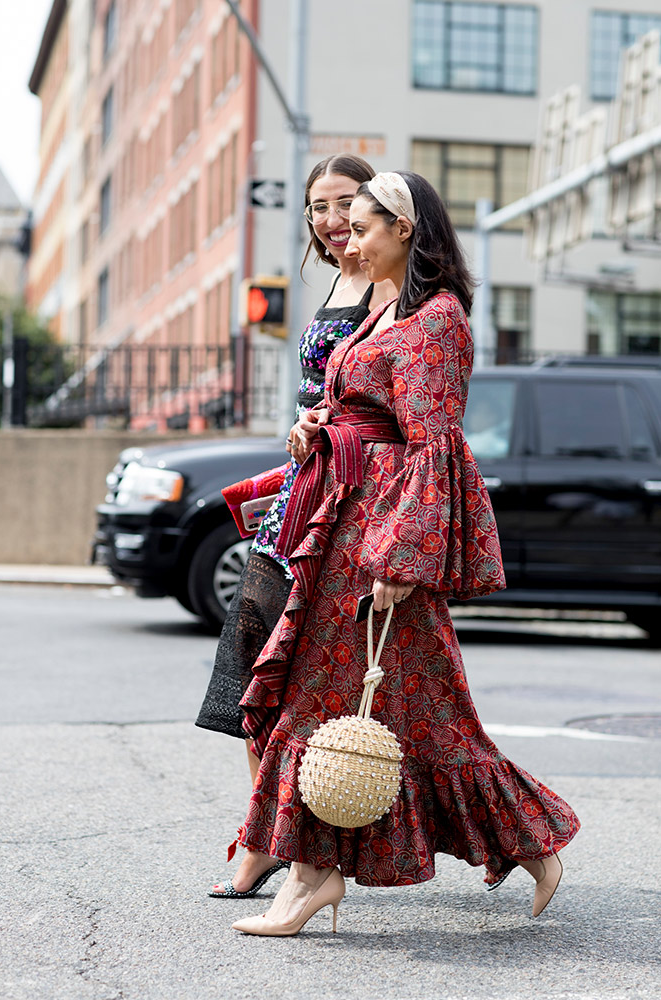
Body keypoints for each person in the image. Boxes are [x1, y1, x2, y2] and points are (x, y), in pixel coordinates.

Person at [230, 171, 580, 936]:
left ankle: (310, 879)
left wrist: (401, 555)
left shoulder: (437, 320)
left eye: (361, 228)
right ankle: (525, 844)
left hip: (379, 534)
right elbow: (364, 403)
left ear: (405, 228)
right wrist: (318, 424)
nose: (347, 243)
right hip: (345, 516)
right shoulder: (387, 309)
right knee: (427, 711)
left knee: (323, 697)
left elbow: (430, 445)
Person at [195, 154, 396, 898]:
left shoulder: (390, 284)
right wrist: (305, 420)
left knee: (322, 682)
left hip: (349, 500)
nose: (331, 219)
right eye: (318, 206)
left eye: (346, 203)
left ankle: (272, 842)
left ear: (380, 209)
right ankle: (267, 835)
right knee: (247, 660)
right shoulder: (337, 282)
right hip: (301, 492)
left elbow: (397, 409)